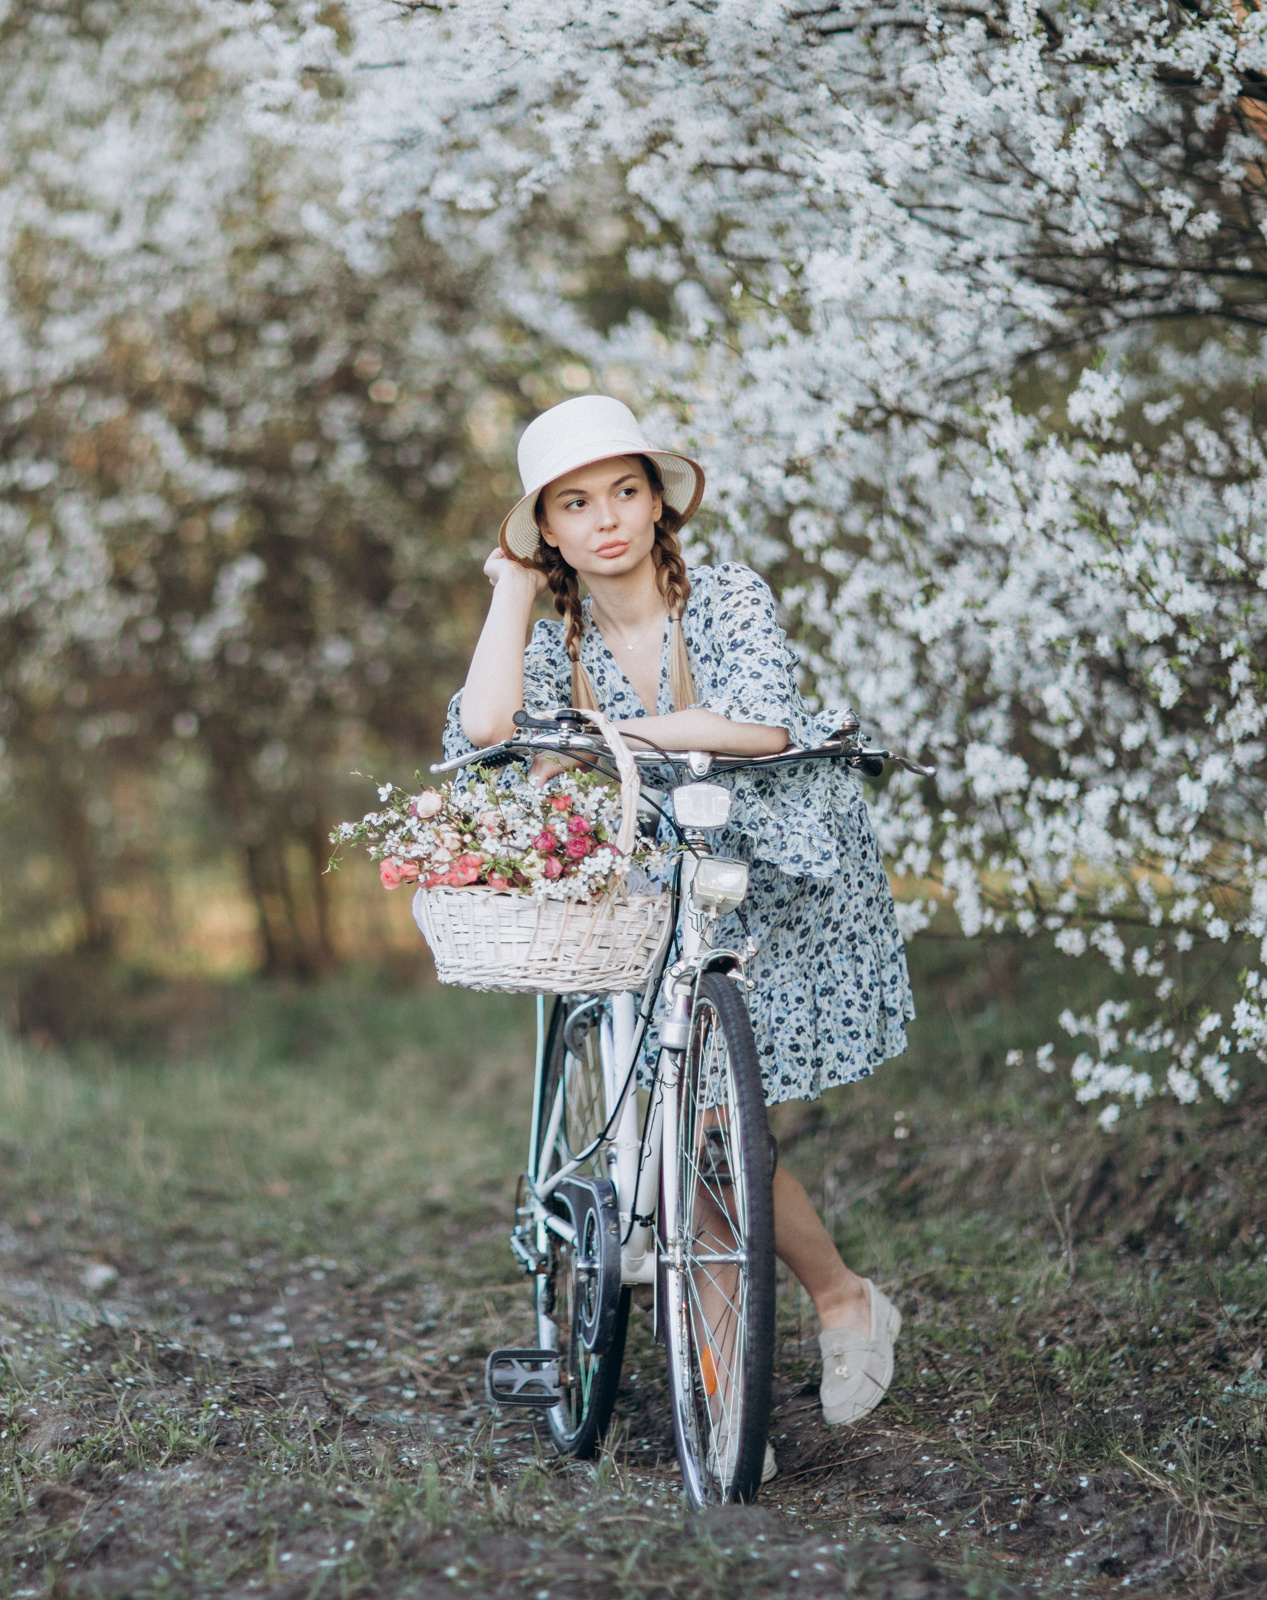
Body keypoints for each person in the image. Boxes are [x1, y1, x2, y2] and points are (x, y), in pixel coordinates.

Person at [443, 394, 914, 1434]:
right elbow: (486, 724)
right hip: (653, 862)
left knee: (711, 1123)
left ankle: (844, 1299)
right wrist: (513, 594)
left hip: (778, 862)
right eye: (574, 503)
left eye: (625, 490)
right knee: (686, 1125)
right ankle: (721, 1384)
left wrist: (595, 735)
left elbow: (744, 722)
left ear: (660, 502)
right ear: (548, 530)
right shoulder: (555, 619)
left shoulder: (728, 593)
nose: (606, 517)